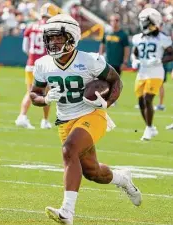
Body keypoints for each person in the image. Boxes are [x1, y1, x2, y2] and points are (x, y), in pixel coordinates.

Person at [30, 14, 142, 225]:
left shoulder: (89, 60)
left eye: (58, 38)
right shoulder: (43, 64)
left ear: (72, 38)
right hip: (65, 120)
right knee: (92, 171)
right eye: (50, 38)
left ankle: (67, 212)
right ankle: (122, 179)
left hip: (91, 114)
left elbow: (115, 81)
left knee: (69, 150)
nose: (53, 42)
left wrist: (106, 103)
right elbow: (33, 93)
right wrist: (44, 98)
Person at [131, 8, 173, 141]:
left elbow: (171, 53)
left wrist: (160, 60)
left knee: (147, 98)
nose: (143, 24)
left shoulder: (163, 38)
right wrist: (134, 60)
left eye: (145, 22)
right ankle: (150, 127)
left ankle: (148, 128)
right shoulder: (138, 38)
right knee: (140, 101)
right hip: (142, 72)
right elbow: (135, 52)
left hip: (156, 72)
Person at [15, 3, 58, 129]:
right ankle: (42, 120)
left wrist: (33, 57)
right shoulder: (51, 29)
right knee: (47, 93)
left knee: (30, 92)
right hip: (45, 66)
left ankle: (23, 116)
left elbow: (25, 48)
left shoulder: (30, 26)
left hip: (31, 64)